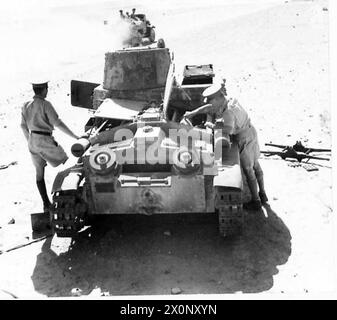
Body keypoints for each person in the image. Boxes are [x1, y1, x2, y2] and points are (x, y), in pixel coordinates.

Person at [183, 82, 268, 210]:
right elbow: (209, 108)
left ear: (218, 98)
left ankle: (256, 201)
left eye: (211, 100)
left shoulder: (228, 113)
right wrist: (193, 113)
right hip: (251, 132)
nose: (210, 104)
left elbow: (228, 130)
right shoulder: (229, 100)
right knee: (256, 164)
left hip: (244, 138)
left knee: (248, 168)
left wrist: (212, 126)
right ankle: (263, 194)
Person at [20, 80, 80, 213]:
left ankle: (46, 203)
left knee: (39, 173)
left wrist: (30, 141)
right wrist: (75, 137)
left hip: (32, 140)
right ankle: (67, 197)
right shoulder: (45, 104)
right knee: (68, 162)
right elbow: (57, 123)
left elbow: (23, 126)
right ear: (45, 90)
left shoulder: (25, 105)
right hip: (45, 140)